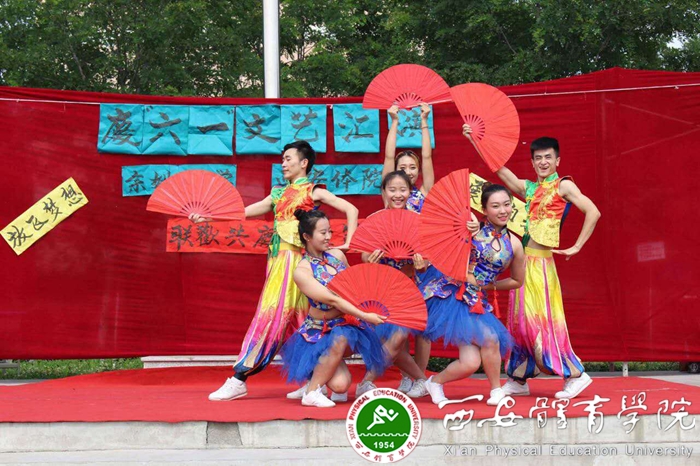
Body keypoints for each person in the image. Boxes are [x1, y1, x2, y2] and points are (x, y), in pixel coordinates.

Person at [207, 141, 359, 401]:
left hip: (300, 262)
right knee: (287, 318)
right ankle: (308, 380)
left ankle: (241, 378)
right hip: (279, 263)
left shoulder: (312, 191)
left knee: (285, 317)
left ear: (304, 163)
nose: (283, 163)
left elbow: (351, 209)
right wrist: (211, 216)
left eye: (288, 158)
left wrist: (349, 242)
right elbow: (244, 212)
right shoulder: (278, 194)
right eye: (283, 159)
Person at [465, 126, 601, 400]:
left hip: (542, 267)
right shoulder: (530, 188)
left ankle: (575, 375)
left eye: (548, 157)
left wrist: (577, 246)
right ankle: (519, 377)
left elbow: (593, 211)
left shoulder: (563, 185)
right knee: (519, 324)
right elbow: (500, 171)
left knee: (543, 322)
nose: (543, 162)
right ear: (532, 161)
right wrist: (475, 139)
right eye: (538, 158)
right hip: (524, 262)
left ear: (557, 160)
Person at [420, 183, 524, 405]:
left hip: (476, 299)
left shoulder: (515, 244)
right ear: (484, 209)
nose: (502, 210)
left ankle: (434, 382)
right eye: (495, 206)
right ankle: (496, 391)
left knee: (470, 363)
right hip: (452, 294)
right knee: (490, 338)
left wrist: (487, 286)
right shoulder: (472, 229)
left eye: (506, 204)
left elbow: (517, 281)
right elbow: (446, 245)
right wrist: (468, 231)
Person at [280, 210, 387, 407]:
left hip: (346, 323)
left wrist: (370, 268)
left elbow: (355, 286)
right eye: (323, 233)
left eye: (329, 231)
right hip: (320, 331)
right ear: (307, 237)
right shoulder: (302, 271)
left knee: (342, 371)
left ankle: (317, 376)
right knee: (340, 385)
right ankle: (312, 391)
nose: (328, 236)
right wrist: (365, 315)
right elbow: (334, 300)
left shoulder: (337, 255)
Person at [355, 171, 429, 398]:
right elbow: (364, 255)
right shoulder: (376, 220)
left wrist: (420, 265)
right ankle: (423, 381)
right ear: (384, 192)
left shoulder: (418, 221)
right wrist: (370, 259)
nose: (398, 195)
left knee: (397, 337)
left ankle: (367, 381)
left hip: (407, 289)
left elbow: (427, 261)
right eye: (392, 190)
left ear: (410, 192)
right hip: (381, 290)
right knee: (391, 342)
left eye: (403, 190)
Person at [382, 106, 435, 391]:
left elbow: (427, 156)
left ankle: (420, 378)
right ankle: (409, 375)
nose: (408, 171)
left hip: (422, 267)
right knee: (398, 325)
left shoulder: (424, 194)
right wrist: (394, 122)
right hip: (394, 269)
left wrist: (424, 122)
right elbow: (388, 157)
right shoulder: (390, 195)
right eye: (402, 167)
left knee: (422, 327)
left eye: (412, 167)